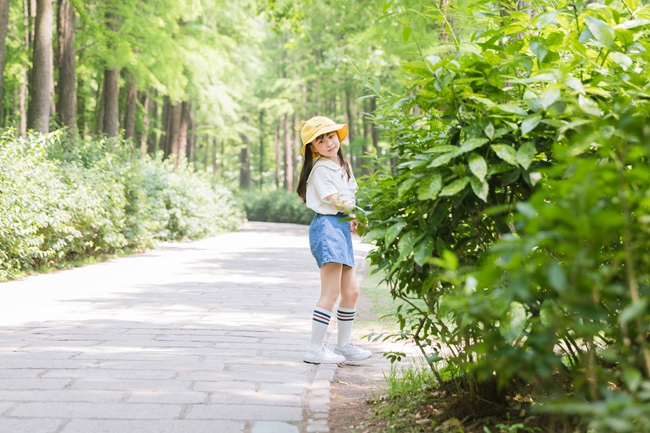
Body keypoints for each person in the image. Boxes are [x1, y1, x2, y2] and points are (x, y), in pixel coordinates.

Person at [295, 116, 372, 364]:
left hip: (338, 227)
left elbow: (347, 194)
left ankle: (343, 346)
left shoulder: (341, 164)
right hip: (327, 227)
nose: (329, 143)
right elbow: (333, 198)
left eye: (331, 136)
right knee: (330, 292)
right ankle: (314, 349)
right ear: (312, 148)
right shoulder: (320, 169)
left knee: (351, 291)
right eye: (321, 139)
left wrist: (351, 216)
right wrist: (354, 213)